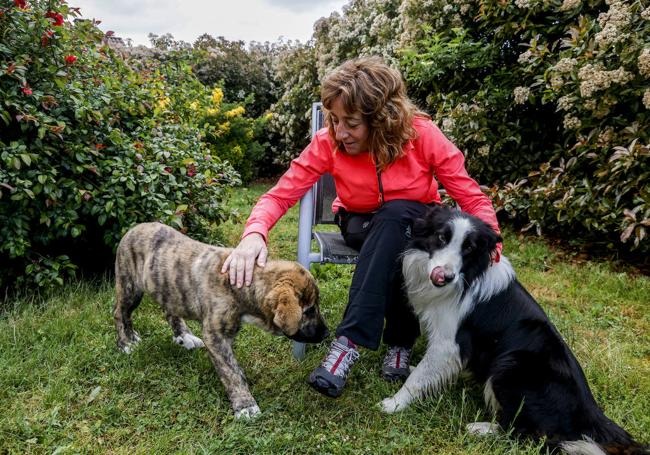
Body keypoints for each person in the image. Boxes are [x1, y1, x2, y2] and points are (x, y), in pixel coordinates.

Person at [221, 56, 502, 398]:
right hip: (358, 222)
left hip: (415, 223)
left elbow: (469, 194)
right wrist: (254, 233)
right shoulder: (329, 142)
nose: (339, 132)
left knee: (400, 222)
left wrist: (491, 241)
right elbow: (280, 194)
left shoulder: (423, 135)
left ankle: (348, 344)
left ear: (382, 118)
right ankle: (392, 344)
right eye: (334, 120)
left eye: (351, 123)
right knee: (396, 231)